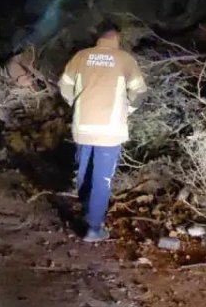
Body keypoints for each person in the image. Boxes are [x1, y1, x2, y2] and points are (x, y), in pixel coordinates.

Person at [58, 24, 146, 241]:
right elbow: (139, 92)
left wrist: (77, 105)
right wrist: (127, 109)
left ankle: (88, 212)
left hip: (84, 127)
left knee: (84, 172)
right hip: (110, 130)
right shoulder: (124, 59)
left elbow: (64, 86)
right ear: (117, 39)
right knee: (101, 178)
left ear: (98, 38)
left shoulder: (81, 57)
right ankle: (93, 228)